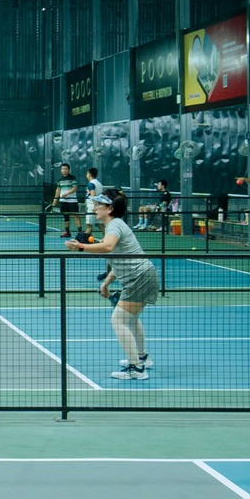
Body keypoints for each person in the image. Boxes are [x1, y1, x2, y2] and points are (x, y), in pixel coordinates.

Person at [68, 188, 161, 380]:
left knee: (118, 320)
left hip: (139, 278)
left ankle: (137, 369)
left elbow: (108, 246)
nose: (95, 208)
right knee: (131, 319)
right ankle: (141, 358)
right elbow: (117, 260)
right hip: (143, 276)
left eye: (99, 205)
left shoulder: (114, 225)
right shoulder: (113, 226)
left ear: (109, 209)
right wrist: (105, 284)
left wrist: (81, 247)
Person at [53, 161, 79, 239]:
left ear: (68, 170)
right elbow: (58, 190)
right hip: (63, 201)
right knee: (65, 217)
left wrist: (66, 194)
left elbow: (75, 188)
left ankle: (80, 233)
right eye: (62, 169)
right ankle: (67, 232)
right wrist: (55, 200)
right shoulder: (59, 179)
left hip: (72, 201)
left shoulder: (72, 178)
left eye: (65, 169)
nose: (64, 170)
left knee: (76, 216)